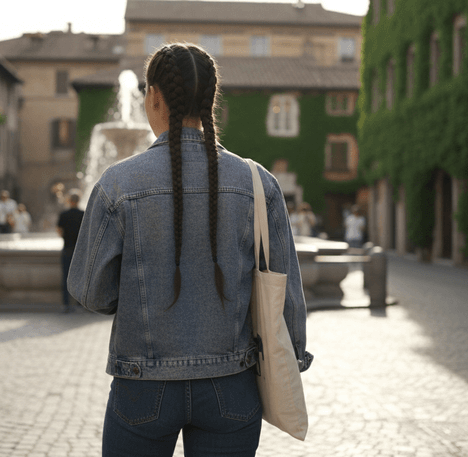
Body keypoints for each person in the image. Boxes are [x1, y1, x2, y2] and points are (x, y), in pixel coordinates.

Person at [67, 43, 311, 457]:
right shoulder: (257, 182)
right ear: (210, 100)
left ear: (155, 97)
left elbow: (90, 291)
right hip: (232, 383)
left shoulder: (117, 184)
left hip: (142, 384)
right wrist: (294, 358)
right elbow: (284, 292)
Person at [57, 191, 84, 313]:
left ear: (69, 201)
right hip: (79, 250)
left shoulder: (64, 214)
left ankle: (66, 304)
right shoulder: (83, 214)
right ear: (78, 201)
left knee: (66, 278)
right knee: (80, 278)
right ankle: (79, 305)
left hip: (67, 248)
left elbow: (59, 231)